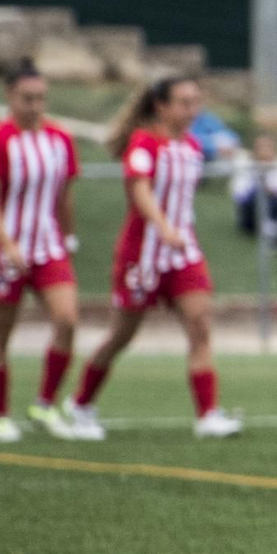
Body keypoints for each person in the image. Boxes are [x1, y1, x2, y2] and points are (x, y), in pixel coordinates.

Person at [68, 76, 242, 441]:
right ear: (161, 106)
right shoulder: (145, 143)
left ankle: (208, 414)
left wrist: (176, 232)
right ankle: (81, 404)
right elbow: (140, 189)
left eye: (196, 102)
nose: (191, 110)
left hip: (183, 254)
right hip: (142, 257)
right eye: (183, 102)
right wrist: (162, 226)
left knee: (200, 328)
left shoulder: (193, 145)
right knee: (121, 336)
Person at [0, 61, 82, 443]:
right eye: (27, 98)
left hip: (48, 247)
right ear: (9, 96)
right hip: (5, 252)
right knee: (2, 335)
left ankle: (44, 403)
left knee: (67, 320)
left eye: (41, 98)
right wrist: (6, 243)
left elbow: (65, 195)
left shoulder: (60, 138)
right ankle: (0, 416)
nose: (35, 106)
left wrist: (69, 238)